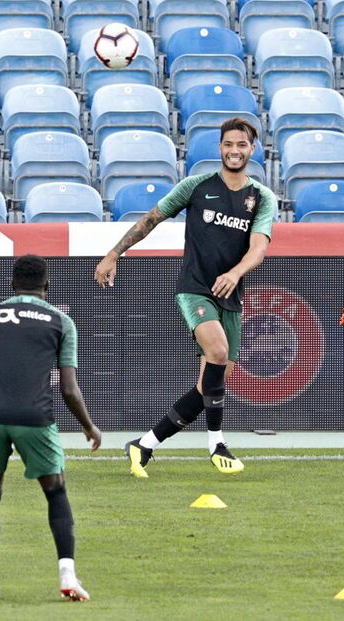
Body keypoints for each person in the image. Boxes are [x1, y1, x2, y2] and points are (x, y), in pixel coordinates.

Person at [94, 117, 276, 478]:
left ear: (252, 150)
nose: (234, 151)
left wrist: (236, 273)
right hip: (194, 289)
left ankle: (143, 445)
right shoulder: (196, 186)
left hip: (230, 293)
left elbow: (258, 248)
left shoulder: (262, 198)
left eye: (242, 145)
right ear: (220, 148)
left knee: (210, 381)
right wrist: (115, 253)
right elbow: (152, 218)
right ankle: (217, 443)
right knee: (219, 353)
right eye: (229, 144)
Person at [0, 255, 102, 602]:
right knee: (56, 492)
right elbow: (68, 389)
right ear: (46, 288)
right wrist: (89, 426)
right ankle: (68, 574)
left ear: (11, 285)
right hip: (35, 419)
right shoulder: (61, 321)